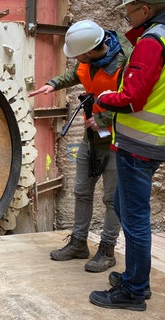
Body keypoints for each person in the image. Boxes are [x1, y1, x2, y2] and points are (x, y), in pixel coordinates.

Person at [29, 20, 132, 272]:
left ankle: (107, 250)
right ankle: (78, 243)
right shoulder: (88, 58)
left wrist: (104, 120)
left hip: (117, 139)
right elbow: (77, 75)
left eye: (78, 55)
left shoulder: (127, 63)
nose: (77, 59)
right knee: (82, 192)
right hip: (92, 138)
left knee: (112, 199)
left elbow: (134, 99)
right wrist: (53, 84)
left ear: (91, 49)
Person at [89, 0, 165, 311]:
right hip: (149, 140)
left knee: (135, 219)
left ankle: (135, 291)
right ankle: (135, 276)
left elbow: (132, 98)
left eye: (129, 10)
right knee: (123, 205)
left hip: (139, 144)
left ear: (145, 10)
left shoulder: (151, 40)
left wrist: (103, 97)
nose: (125, 16)